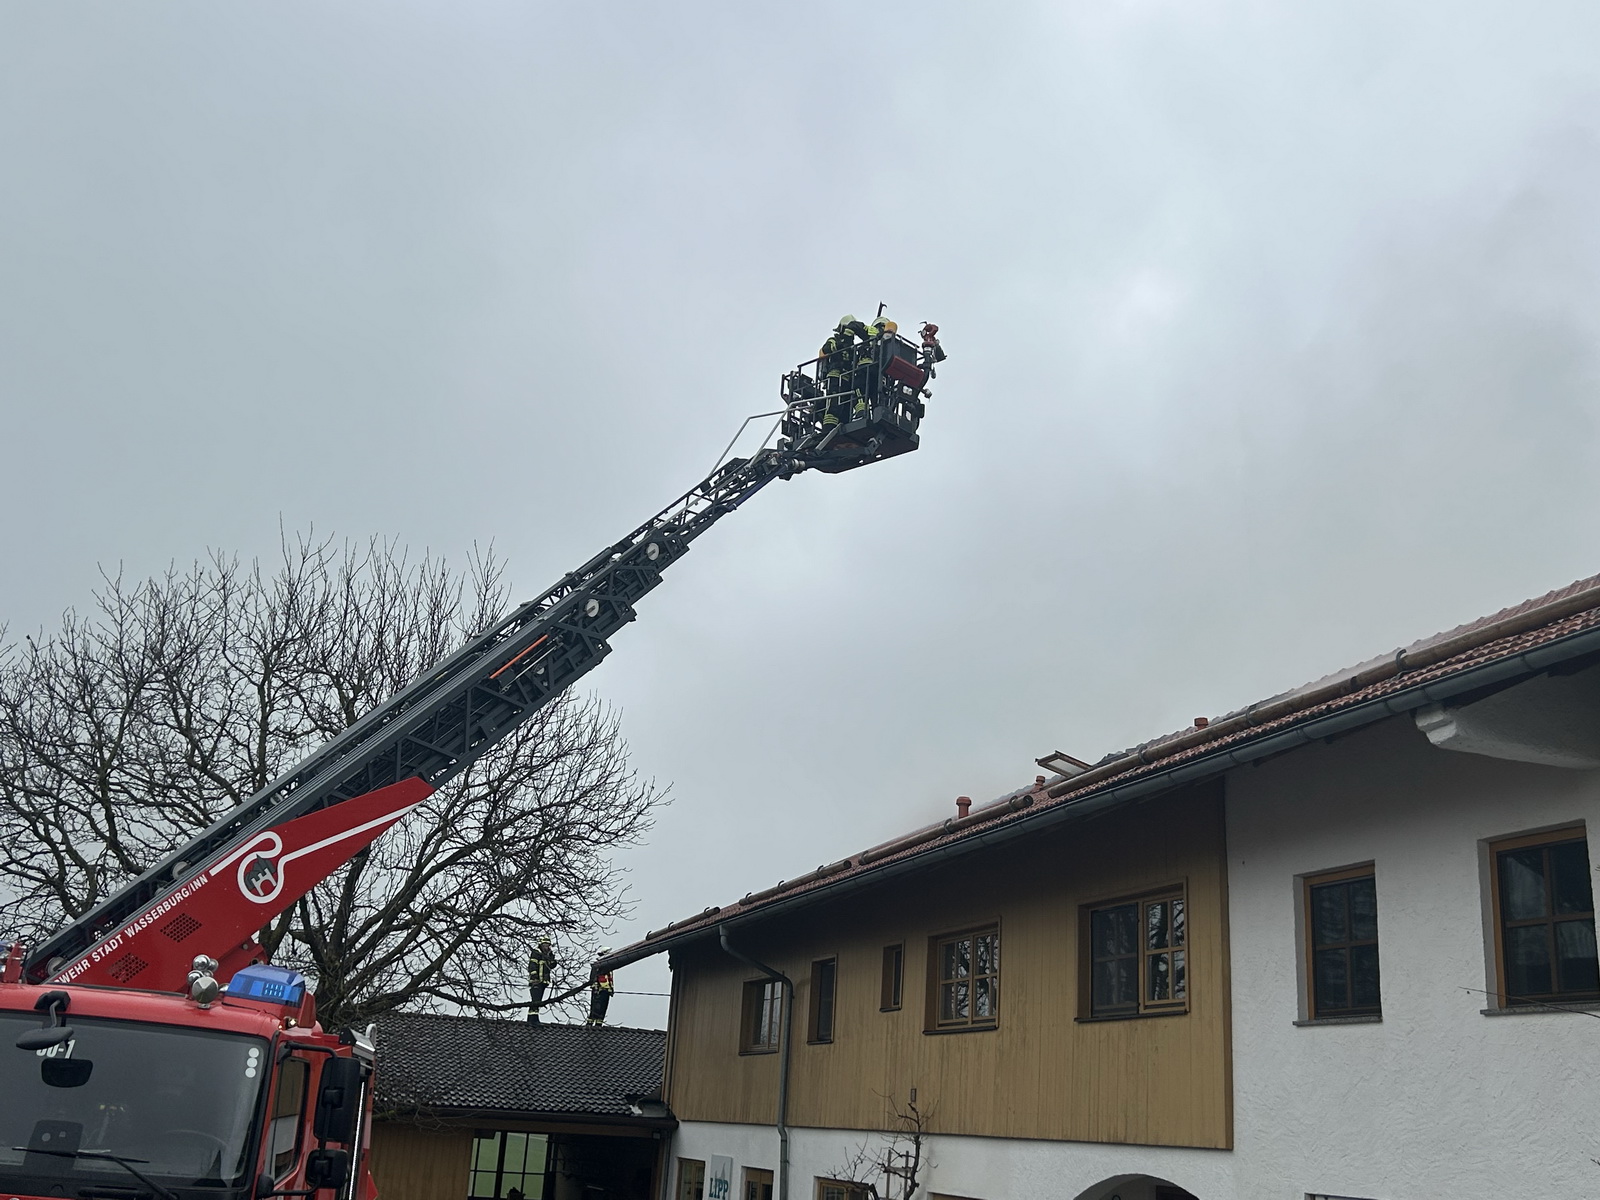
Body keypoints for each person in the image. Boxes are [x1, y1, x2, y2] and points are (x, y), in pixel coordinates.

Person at [818, 315, 867, 429]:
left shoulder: (853, 348)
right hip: (835, 375)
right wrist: (842, 344)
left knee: (847, 404)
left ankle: (845, 424)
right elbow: (826, 349)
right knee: (834, 402)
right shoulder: (833, 340)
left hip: (848, 377)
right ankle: (828, 427)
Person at [527, 935, 557, 1024]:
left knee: (538, 1001)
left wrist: (553, 960)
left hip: (544, 981)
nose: (546, 947)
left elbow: (551, 966)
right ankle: (532, 1019)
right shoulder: (536, 953)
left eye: (548, 945)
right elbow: (532, 966)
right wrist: (534, 977)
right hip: (536, 981)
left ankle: (533, 1018)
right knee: (535, 1000)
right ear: (541, 945)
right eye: (545, 945)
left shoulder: (549, 954)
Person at [587, 951, 615, 1026]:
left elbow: (610, 979)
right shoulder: (597, 966)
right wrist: (596, 988)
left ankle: (599, 1023)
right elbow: (593, 979)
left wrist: (611, 989)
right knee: (595, 1007)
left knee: (603, 1007)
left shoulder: (609, 967)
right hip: (598, 990)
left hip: (606, 990)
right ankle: (590, 1022)